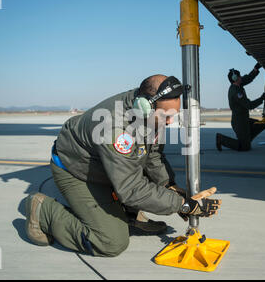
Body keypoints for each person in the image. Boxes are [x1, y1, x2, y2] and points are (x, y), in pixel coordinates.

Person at [25, 74, 221, 257]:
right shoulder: (115, 129)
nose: (169, 122)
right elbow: (131, 188)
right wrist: (182, 204)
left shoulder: (150, 114)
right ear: (144, 105)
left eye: (173, 116)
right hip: (77, 171)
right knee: (111, 241)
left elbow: (151, 155)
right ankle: (43, 210)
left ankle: (128, 215)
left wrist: (169, 186)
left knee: (144, 178)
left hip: (106, 167)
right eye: (165, 116)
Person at [216, 63, 265, 152]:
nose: (241, 77)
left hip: (244, 119)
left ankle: (246, 141)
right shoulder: (236, 92)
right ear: (235, 79)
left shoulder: (238, 84)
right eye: (240, 76)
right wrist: (262, 98)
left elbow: (248, 78)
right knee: (244, 148)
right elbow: (249, 105)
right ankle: (221, 139)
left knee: (261, 125)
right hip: (239, 122)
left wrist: (255, 69)